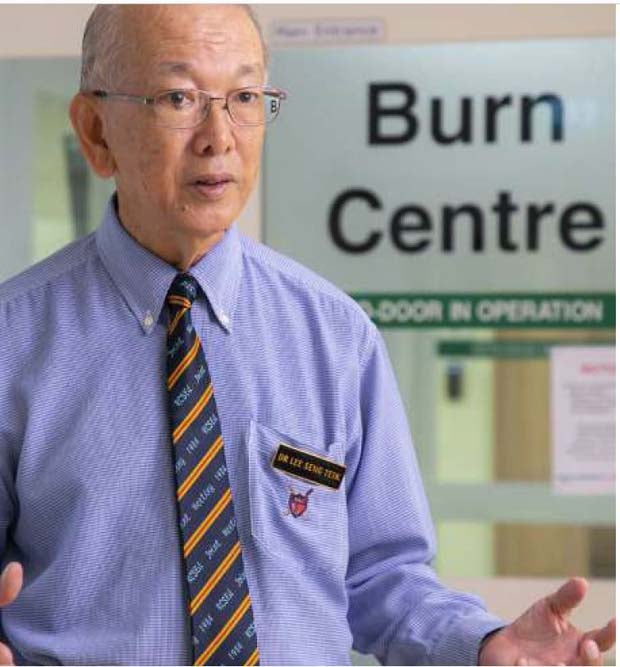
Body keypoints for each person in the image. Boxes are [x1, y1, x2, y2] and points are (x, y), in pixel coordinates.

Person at [0, 4, 614, 666]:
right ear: (96, 131)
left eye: (244, 98)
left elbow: (382, 577)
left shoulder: (337, 336)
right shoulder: (13, 340)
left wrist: (483, 643)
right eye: (179, 98)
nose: (218, 137)